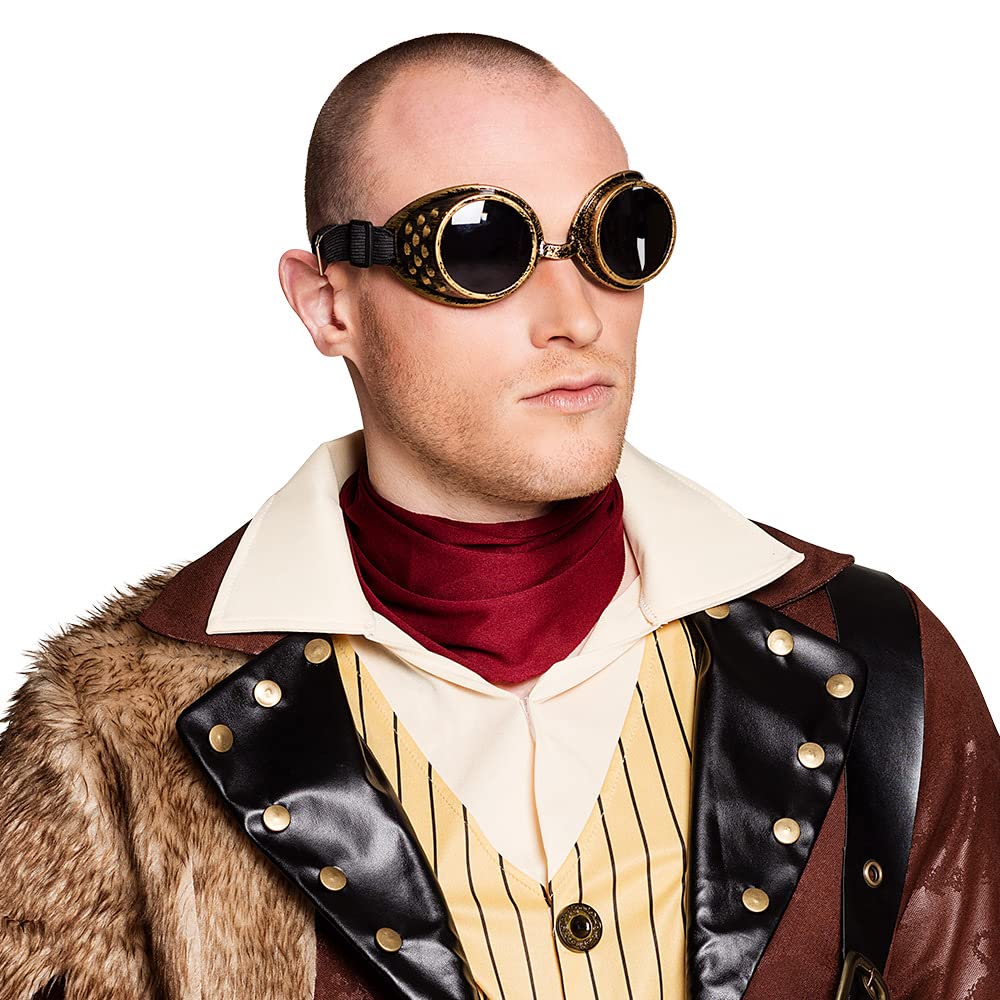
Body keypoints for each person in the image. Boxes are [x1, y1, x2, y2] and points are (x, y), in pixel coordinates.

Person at [1, 30, 997, 1000]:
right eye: (481, 245)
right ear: (328, 305)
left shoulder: (876, 659)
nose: (578, 314)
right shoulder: (112, 733)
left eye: (618, 235)